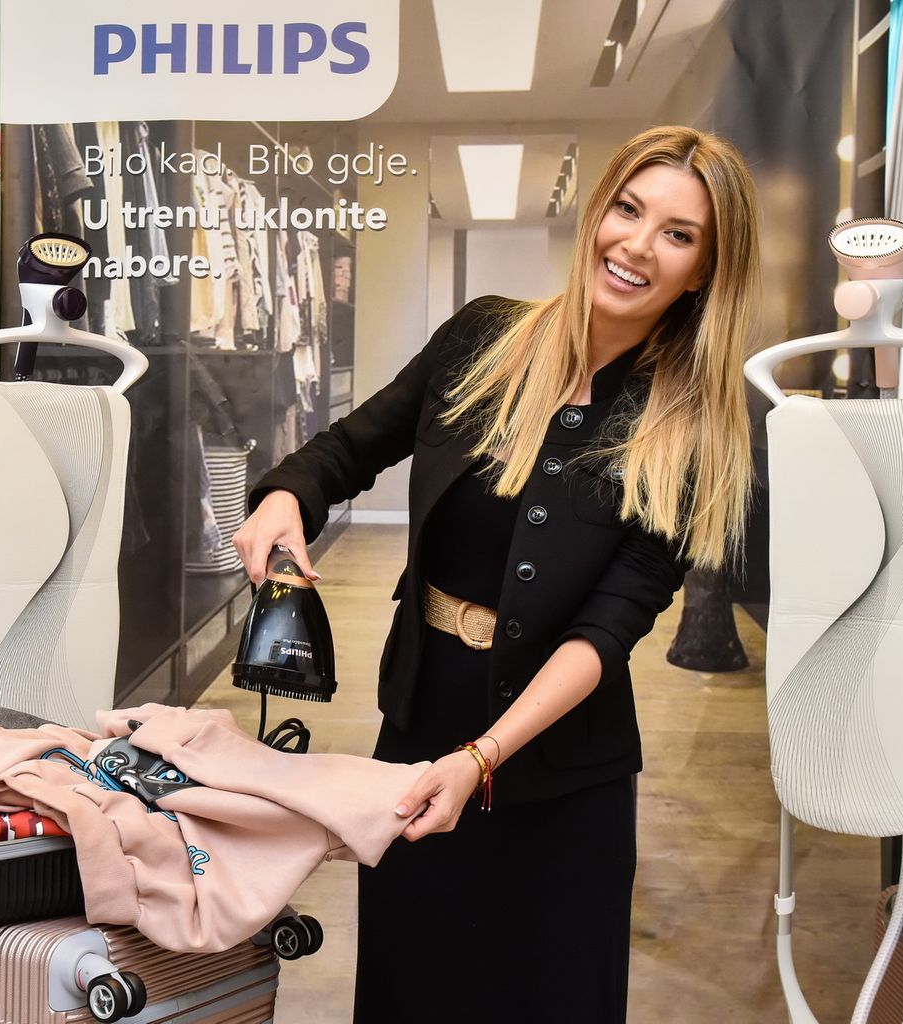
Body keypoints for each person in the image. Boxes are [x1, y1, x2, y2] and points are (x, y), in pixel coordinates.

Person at [233, 125, 760, 1022]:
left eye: (678, 234)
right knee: (411, 991)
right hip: (419, 730)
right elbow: (351, 446)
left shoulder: (692, 428)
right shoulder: (484, 338)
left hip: (563, 773)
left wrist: (483, 757)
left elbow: (608, 627)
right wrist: (287, 497)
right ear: (598, 213)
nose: (637, 245)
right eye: (628, 210)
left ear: (705, 270)